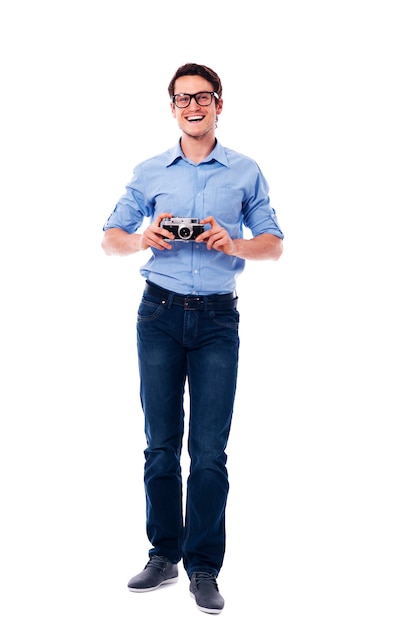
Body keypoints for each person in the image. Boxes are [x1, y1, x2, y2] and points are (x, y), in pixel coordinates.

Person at [101, 62, 284, 614]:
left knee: (208, 452)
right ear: (173, 107)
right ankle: (164, 554)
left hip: (217, 323)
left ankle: (204, 567)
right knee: (160, 445)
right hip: (158, 315)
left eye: (203, 97)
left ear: (219, 104)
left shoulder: (246, 171)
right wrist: (141, 238)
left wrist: (235, 245)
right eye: (183, 99)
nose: (193, 106)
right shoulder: (150, 171)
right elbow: (108, 238)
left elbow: (273, 243)